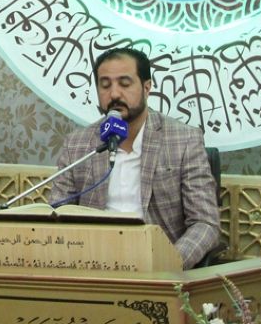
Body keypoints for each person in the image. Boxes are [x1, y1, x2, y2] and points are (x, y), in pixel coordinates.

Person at [48, 48, 220, 269]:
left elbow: (205, 223)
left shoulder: (183, 140)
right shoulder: (78, 145)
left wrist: (169, 262)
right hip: (92, 265)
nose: (114, 94)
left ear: (146, 88)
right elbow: (56, 214)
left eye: (125, 84)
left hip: (157, 265)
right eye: (105, 85)